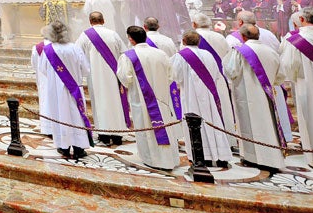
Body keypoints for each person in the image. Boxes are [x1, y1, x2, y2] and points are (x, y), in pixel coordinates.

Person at [223, 23, 286, 172]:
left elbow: (231, 71)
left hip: (246, 96)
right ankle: (271, 157)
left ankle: (253, 157)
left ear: (243, 36)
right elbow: (281, 76)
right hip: (267, 95)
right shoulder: (270, 51)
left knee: (250, 125)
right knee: (268, 126)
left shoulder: (239, 51)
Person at [117, 25, 181, 171]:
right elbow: (172, 76)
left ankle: (151, 159)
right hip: (162, 98)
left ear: (131, 39)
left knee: (146, 129)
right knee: (164, 126)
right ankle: (168, 158)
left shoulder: (128, 56)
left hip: (141, 99)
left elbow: (125, 79)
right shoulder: (161, 54)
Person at [171, 30, 233, 168]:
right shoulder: (208, 55)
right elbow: (217, 74)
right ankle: (220, 155)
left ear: (184, 41)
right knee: (213, 122)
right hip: (209, 95)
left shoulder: (181, 56)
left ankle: (199, 156)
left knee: (193, 123)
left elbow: (175, 76)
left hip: (190, 96)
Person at [38, 21, 93, 160]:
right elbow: (86, 70)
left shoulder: (48, 50)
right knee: (76, 116)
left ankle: (63, 146)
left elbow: (43, 70)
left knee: (60, 115)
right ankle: (79, 148)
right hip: (74, 88)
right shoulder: (74, 48)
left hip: (56, 91)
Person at [76, 11, 129, 146]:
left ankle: (104, 135)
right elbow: (124, 53)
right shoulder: (113, 34)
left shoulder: (85, 35)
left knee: (100, 103)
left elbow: (77, 54)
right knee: (115, 103)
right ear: (103, 20)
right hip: (113, 75)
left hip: (95, 76)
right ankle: (118, 135)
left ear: (90, 21)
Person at [280, 6, 313, 169]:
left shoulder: (296, 40)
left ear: (302, 20)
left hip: (307, 84)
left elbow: (287, 67)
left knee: (311, 117)